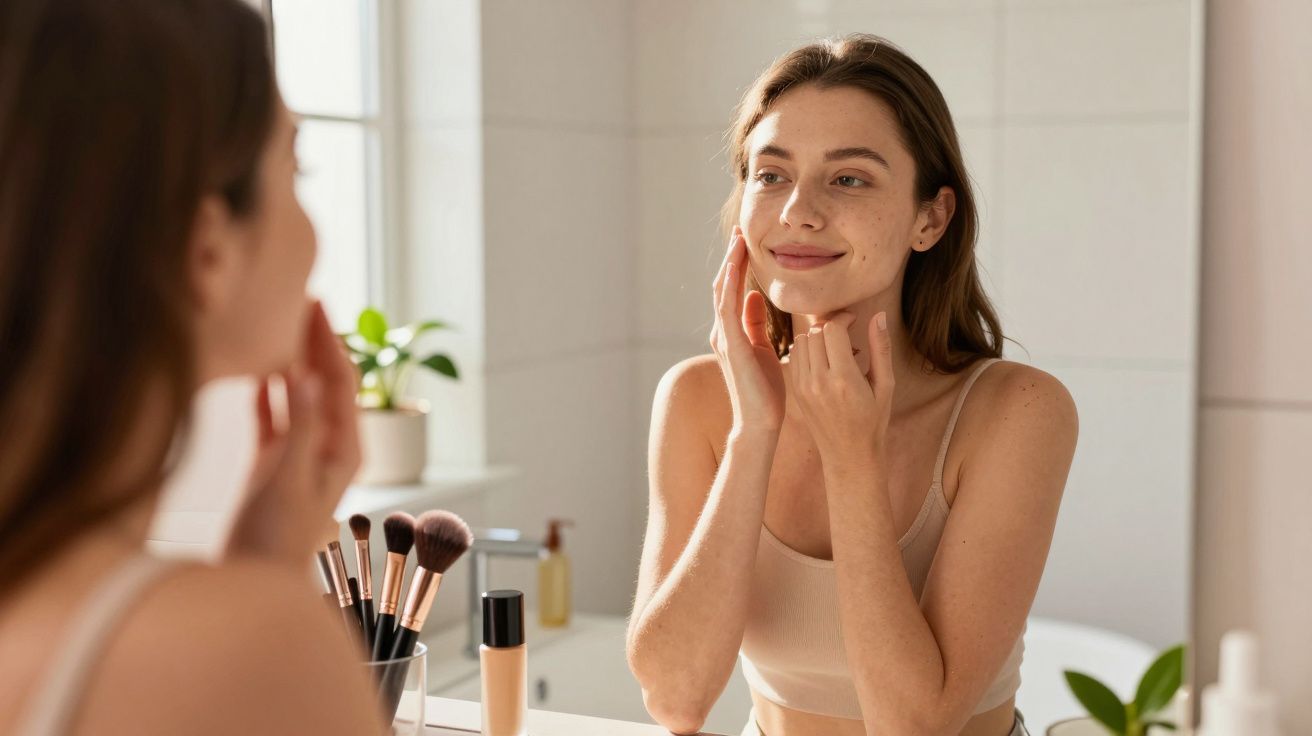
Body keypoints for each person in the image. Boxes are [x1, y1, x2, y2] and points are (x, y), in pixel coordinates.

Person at [627, 35, 1078, 736]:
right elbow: (676, 698)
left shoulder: (1016, 412)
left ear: (931, 218)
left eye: (849, 179)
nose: (797, 211)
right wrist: (754, 435)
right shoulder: (699, 402)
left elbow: (915, 725)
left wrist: (851, 459)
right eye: (770, 174)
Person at [0, 1, 381, 733]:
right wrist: (263, 608)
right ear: (206, 251)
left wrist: (265, 569)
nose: (314, 234)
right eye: (295, 167)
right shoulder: (248, 654)